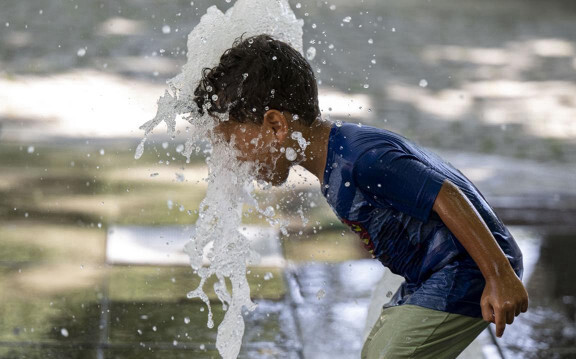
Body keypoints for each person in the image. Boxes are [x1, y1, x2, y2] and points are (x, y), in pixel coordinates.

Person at [194, 34, 528, 358]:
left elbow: (448, 195)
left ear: (276, 126)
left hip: (468, 271)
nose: (231, 158)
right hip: (436, 272)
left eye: (233, 144)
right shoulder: (337, 160)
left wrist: (499, 276)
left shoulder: (361, 159)